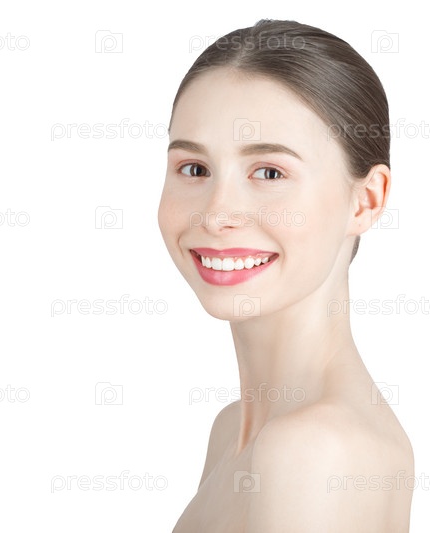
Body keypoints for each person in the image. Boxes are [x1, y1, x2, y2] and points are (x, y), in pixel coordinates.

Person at [159, 19, 414, 531]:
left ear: (366, 201)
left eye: (270, 172)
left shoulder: (312, 450)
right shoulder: (233, 429)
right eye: (195, 169)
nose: (216, 214)